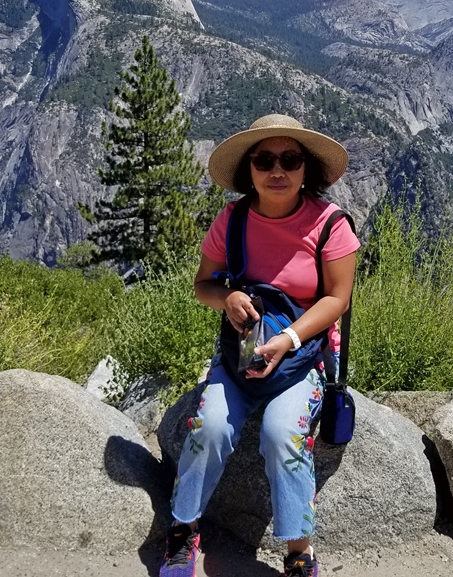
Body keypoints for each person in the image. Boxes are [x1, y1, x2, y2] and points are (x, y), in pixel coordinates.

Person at [160, 114, 360, 577]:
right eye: (264, 159)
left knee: (281, 436)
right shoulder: (231, 220)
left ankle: (299, 552)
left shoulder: (330, 226)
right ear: (248, 169)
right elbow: (203, 285)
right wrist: (226, 296)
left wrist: (289, 339)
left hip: (300, 359)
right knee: (208, 429)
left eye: (290, 159)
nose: (277, 170)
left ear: (305, 169)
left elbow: (337, 298)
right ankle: (183, 532)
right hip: (238, 358)